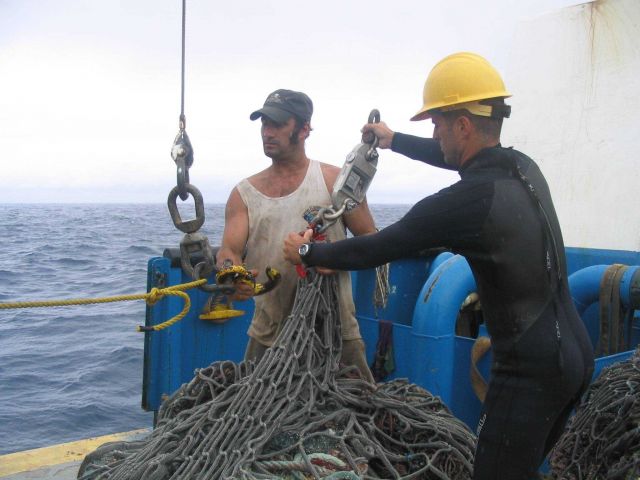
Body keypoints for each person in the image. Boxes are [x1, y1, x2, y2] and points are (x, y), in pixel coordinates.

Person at [284, 53, 595, 479]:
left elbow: (377, 248)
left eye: (437, 123)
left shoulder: (465, 203)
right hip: (574, 355)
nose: (434, 133)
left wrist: (308, 253)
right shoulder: (522, 167)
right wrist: (393, 139)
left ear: (463, 125)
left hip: (529, 372)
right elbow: (454, 156)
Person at [216, 88, 377, 384]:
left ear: (304, 129)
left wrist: (335, 260)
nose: (267, 132)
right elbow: (229, 251)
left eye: (277, 124)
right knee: (257, 420)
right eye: (264, 124)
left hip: (337, 334)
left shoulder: (333, 181)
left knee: (359, 414)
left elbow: (371, 241)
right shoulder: (243, 194)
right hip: (268, 337)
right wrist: (232, 275)